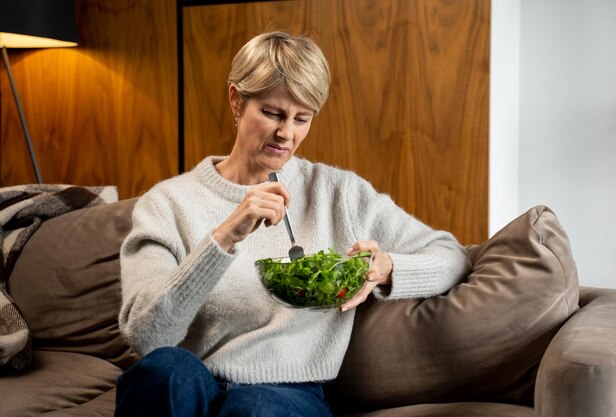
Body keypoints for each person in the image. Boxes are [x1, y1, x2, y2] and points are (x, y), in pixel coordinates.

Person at [114, 31, 471, 417]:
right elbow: (148, 336)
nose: (287, 133)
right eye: (272, 113)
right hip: (193, 384)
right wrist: (223, 238)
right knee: (165, 371)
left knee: (256, 409)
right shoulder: (167, 204)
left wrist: (386, 269)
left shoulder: (338, 194)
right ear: (236, 99)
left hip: (286, 394)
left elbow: (452, 255)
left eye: (302, 118)